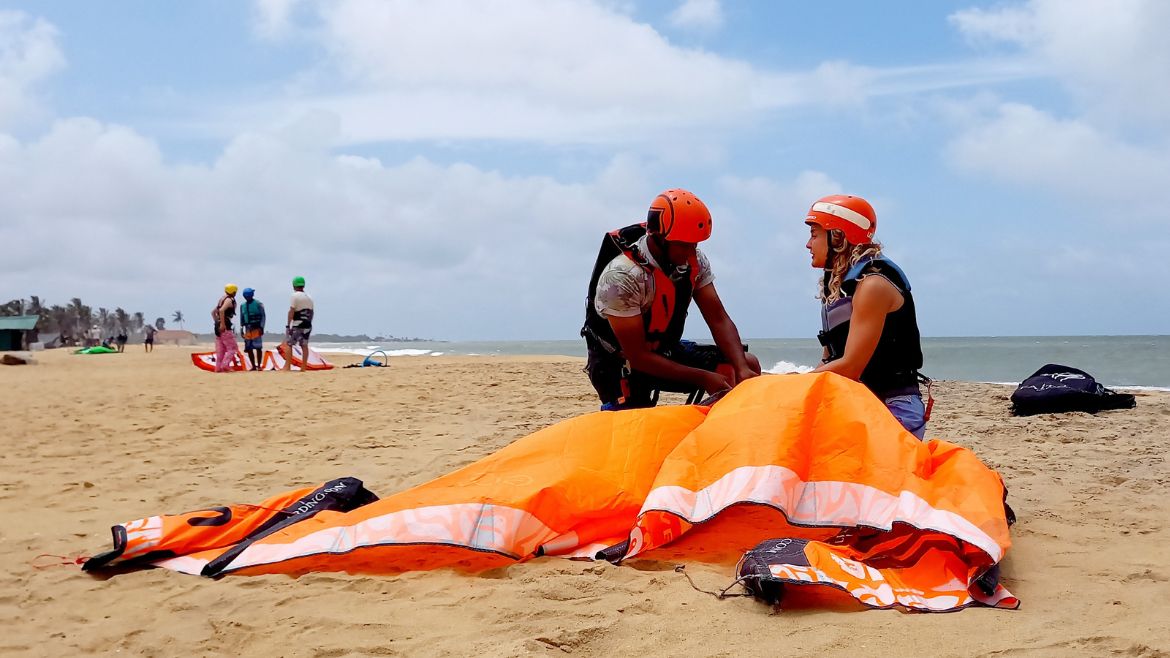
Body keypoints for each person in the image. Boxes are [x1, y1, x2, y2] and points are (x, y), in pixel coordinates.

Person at [582, 188, 761, 410]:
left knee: (743, 364)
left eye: (695, 244)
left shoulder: (694, 261)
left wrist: (742, 369)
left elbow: (718, 319)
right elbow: (638, 357)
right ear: (658, 238)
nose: (691, 252)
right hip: (620, 361)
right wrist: (704, 378)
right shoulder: (622, 277)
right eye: (684, 244)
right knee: (636, 421)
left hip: (663, 350)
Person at [803, 194, 929, 438]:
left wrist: (791, 384)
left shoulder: (873, 285)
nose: (808, 244)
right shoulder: (839, 287)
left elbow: (850, 367)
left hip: (893, 406)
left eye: (814, 234)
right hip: (858, 400)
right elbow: (829, 362)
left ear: (838, 237)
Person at [282, 276, 313, 371]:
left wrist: (288, 324)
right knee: (304, 345)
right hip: (307, 324)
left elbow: (291, 311)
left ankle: (287, 366)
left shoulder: (294, 296)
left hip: (297, 323)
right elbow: (312, 312)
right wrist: (309, 322)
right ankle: (303, 367)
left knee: (289, 344)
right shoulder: (309, 297)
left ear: (294, 285)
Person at [212, 284, 240, 373]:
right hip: (225, 326)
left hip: (218, 326)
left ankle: (218, 368)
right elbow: (221, 310)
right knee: (233, 347)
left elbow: (213, 312)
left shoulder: (222, 299)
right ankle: (225, 365)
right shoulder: (229, 300)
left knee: (221, 350)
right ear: (234, 292)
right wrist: (222, 324)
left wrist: (217, 322)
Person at [239, 288, 266, 371]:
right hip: (248, 329)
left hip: (257, 328)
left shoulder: (258, 304)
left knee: (258, 348)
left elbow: (263, 317)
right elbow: (242, 318)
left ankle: (258, 366)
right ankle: (254, 366)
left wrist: (261, 327)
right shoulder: (242, 306)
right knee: (249, 348)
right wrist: (241, 329)